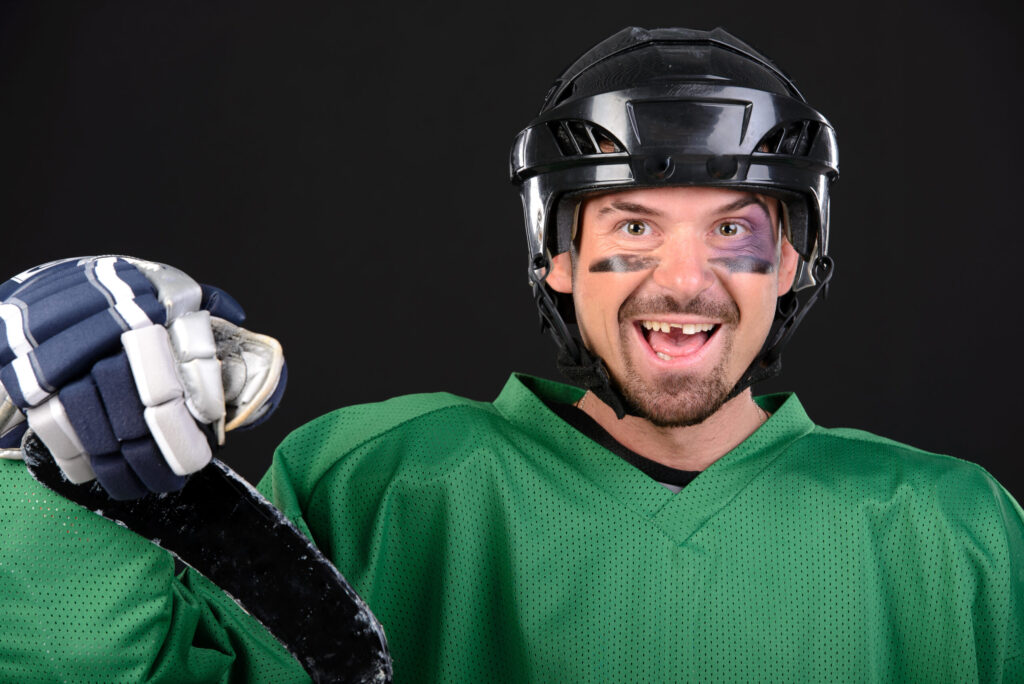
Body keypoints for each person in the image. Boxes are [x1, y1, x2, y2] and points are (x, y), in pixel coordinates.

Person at [1, 26, 1022, 683]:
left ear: (793, 259)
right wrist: (59, 484)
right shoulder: (378, 483)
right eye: (629, 227)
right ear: (560, 259)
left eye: (732, 230)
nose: (681, 278)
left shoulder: (959, 532)